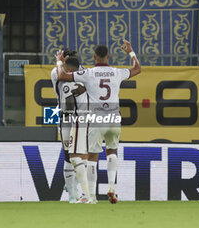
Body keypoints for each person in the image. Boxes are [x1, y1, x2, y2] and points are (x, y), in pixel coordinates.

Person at [56, 39, 141, 204]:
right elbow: (137, 69)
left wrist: (59, 62)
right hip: (114, 117)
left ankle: (91, 196)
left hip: (95, 118)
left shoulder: (88, 73)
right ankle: (111, 187)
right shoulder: (117, 72)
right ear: (108, 56)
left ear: (94, 57)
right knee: (112, 151)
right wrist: (130, 52)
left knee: (92, 156)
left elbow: (61, 76)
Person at [51, 49, 92, 203]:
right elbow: (61, 75)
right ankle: (72, 193)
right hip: (66, 118)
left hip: (82, 118)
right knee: (68, 156)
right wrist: (60, 62)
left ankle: (84, 192)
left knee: (82, 154)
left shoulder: (84, 72)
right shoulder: (56, 72)